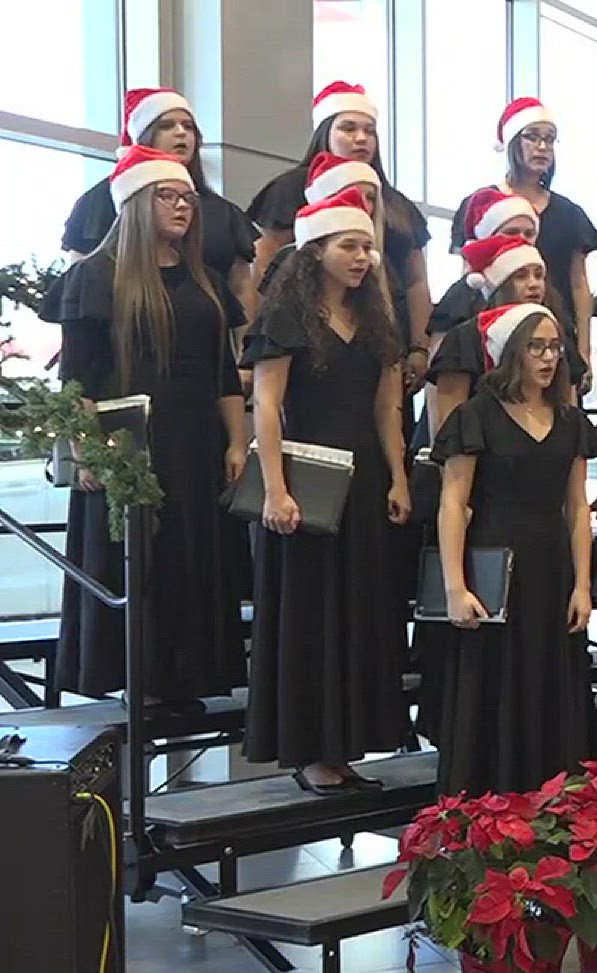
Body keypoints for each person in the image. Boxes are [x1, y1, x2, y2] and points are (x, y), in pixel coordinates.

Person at [41, 146, 248, 709]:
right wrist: (87, 452)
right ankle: (141, 676)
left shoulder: (202, 281)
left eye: (187, 197)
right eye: (168, 196)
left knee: (192, 556)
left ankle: (186, 676)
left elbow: (223, 370)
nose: (183, 205)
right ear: (135, 202)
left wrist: (236, 439)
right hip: (127, 444)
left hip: (196, 441)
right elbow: (78, 381)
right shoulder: (96, 277)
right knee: (138, 556)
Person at [241, 187, 410, 794]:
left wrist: (397, 475)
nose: (363, 256)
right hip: (308, 477)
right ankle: (310, 748)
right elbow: (267, 403)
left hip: (363, 476)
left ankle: (346, 744)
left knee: (359, 608)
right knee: (311, 612)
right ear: (316, 250)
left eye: (367, 245)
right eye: (350, 244)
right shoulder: (286, 317)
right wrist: (275, 489)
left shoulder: (373, 320)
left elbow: (388, 407)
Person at [432, 304, 597, 795]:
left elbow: (577, 508)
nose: (548, 358)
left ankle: (549, 799)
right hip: (493, 567)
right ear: (510, 353)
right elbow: (452, 503)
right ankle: (488, 803)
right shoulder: (475, 416)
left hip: (551, 567)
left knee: (550, 680)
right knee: (494, 682)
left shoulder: (569, 420)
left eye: (554, 348)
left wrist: (583, 585)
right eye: (536, 346)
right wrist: (455, 587)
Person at [248, 81, 433, 385]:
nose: (361, 139)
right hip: (305, 338)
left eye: (369, 131)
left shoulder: (396, 204)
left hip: (382, 334)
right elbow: (262, 271)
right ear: (325, 132)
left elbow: (416, 281)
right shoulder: (288, 189)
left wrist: (418, 347)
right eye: (348, 129)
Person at [64, 88, 260, 317]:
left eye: (188, 127)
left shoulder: (223, 212)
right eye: (167, 126)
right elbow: (78, 284)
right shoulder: (100, 201)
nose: (181, 134)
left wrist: (242, 348)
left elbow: (241, 287)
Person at [448, 98, 597, 363]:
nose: (542, 147)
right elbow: (469, 271)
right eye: (532, 137)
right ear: (512, 143)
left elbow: (579, 284)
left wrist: (584, 348)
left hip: (554, 330)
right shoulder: (481, 204)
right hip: (493, 327)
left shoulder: (569, 213)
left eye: (550, 139)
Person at [426, 237, 586, 430]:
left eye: (538, 275)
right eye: (521, 276)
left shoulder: (555, 336)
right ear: (499, 284)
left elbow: (567, 411)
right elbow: (449, 423)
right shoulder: (465, 339)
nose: (534, 284)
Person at [428, 188, 538, 348]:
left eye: (529, 234)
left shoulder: (547, 291)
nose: (521, 240)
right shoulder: (462, 296)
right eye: (511, 232)